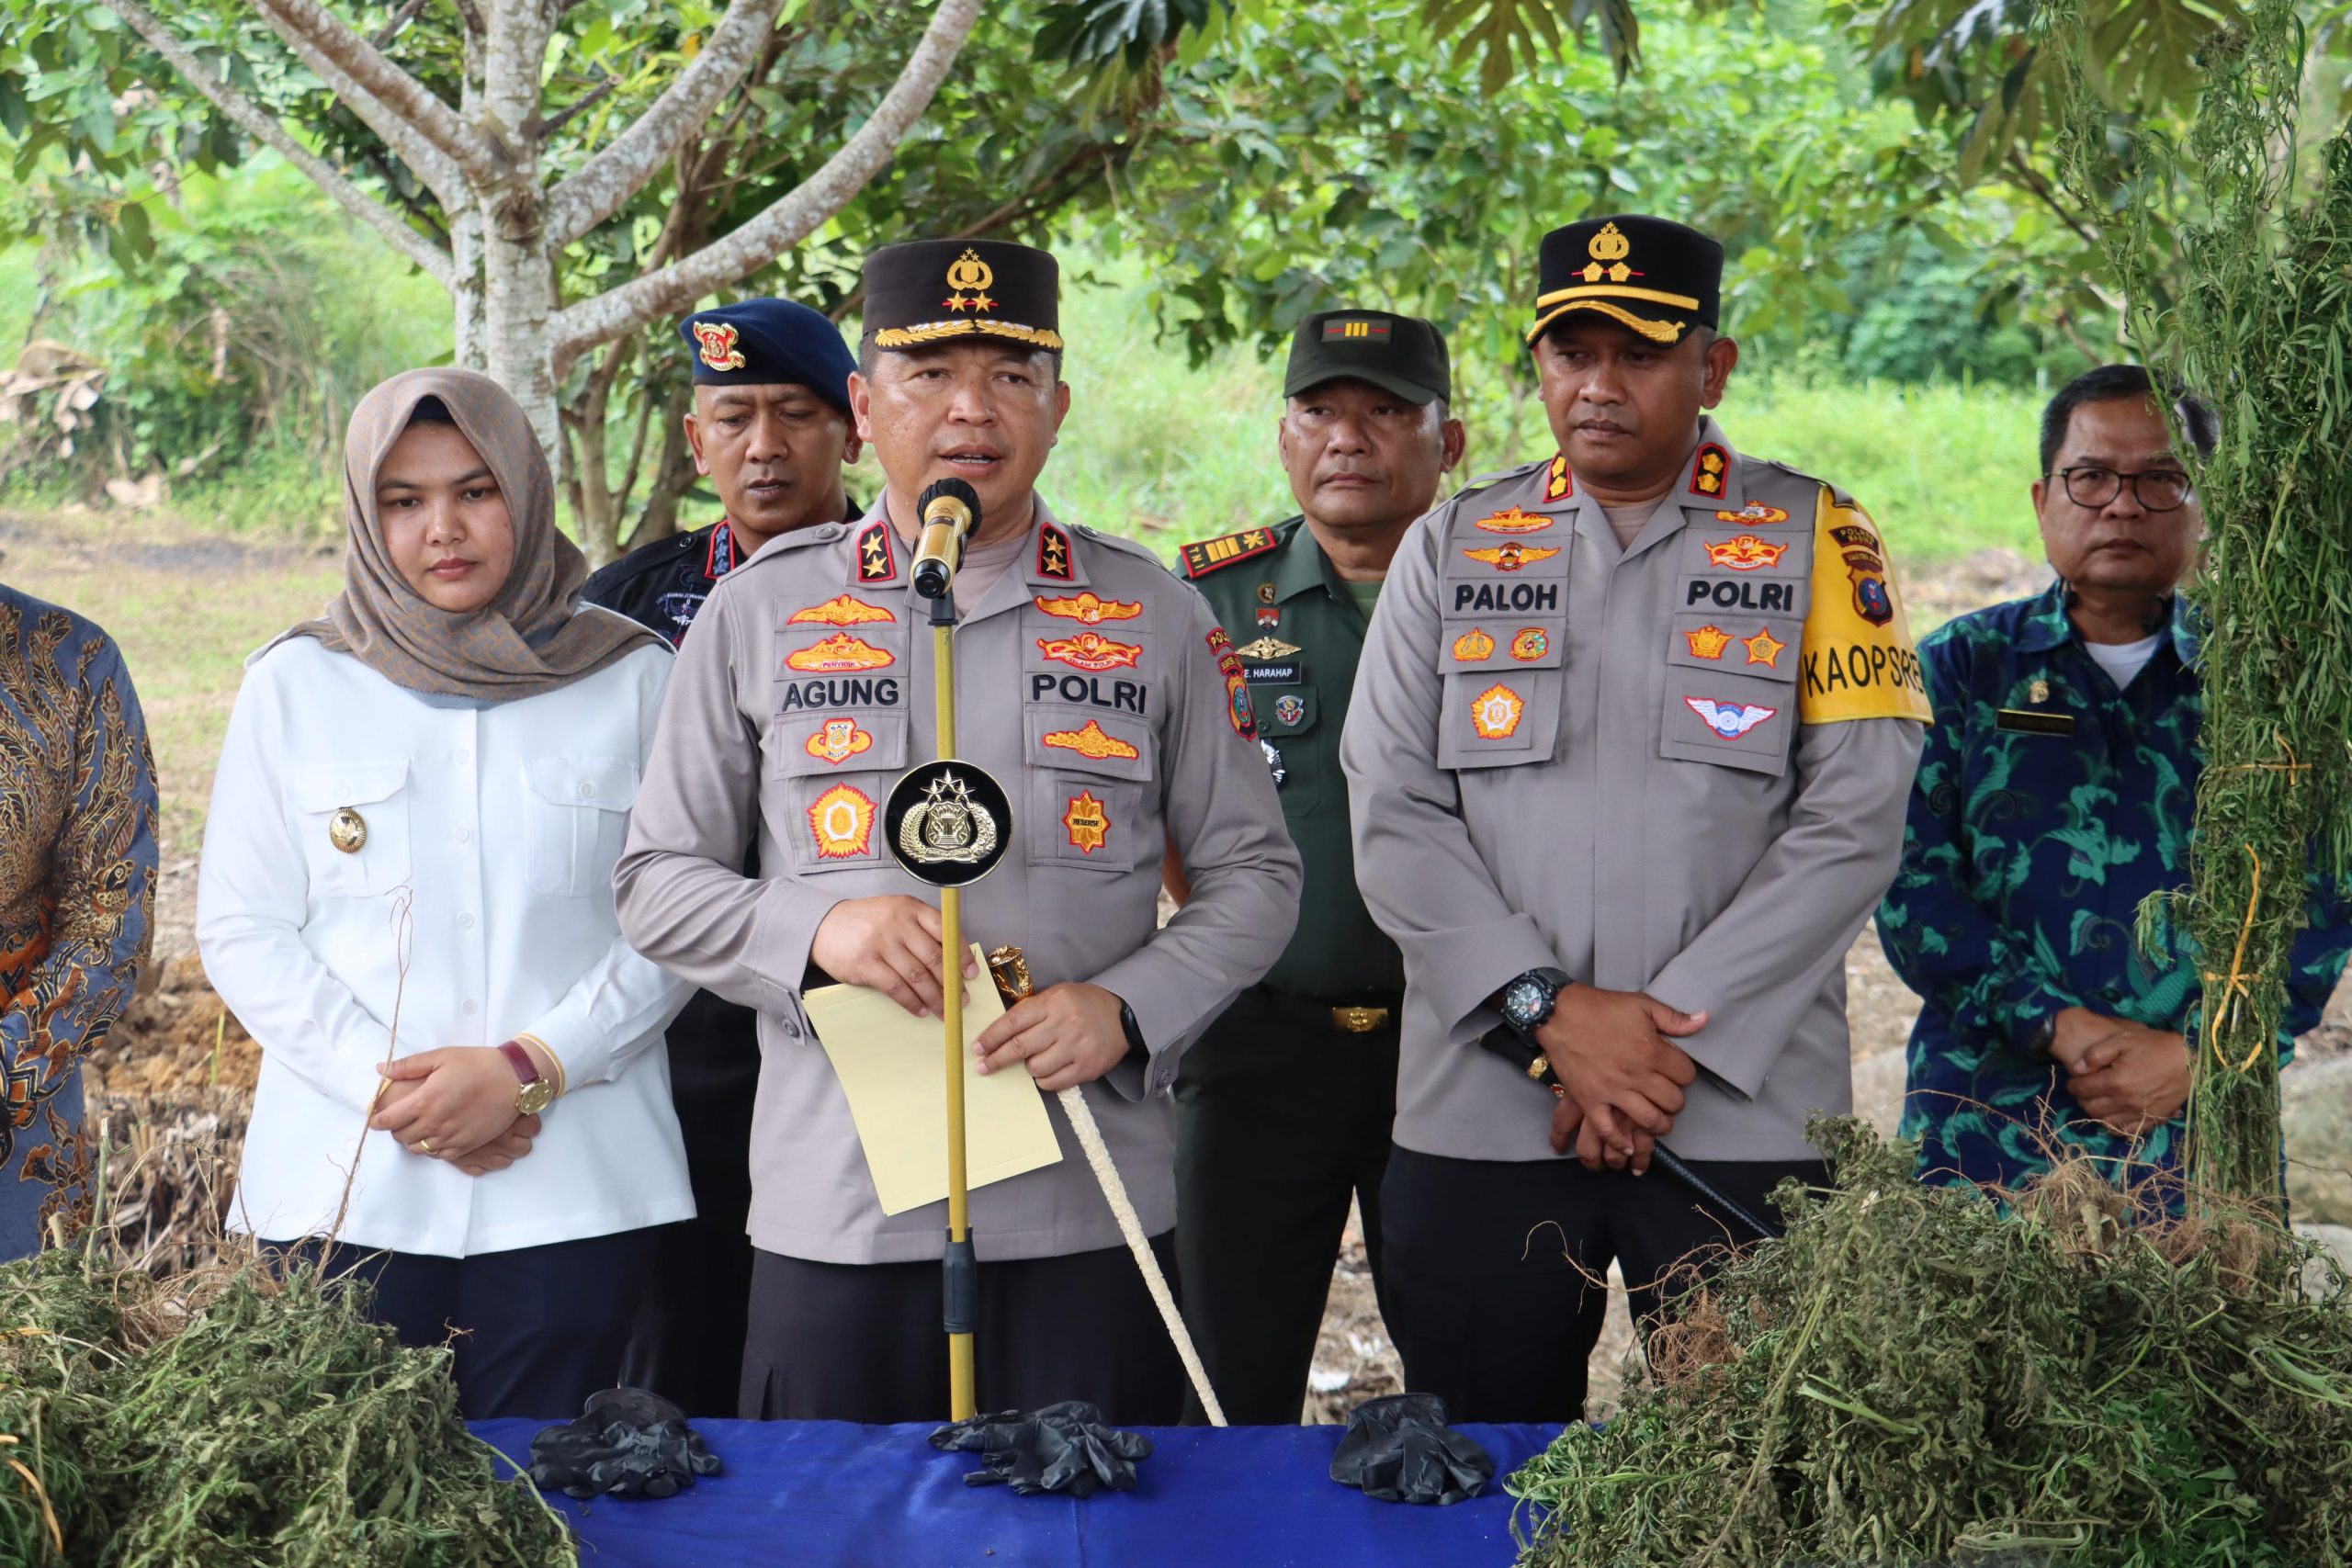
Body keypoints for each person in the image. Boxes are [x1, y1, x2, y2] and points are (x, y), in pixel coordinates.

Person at [615, 237, 1302, 1426]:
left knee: (1087, 1509)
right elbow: (657, 880)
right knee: (835, 1512)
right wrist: (815, 929)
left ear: (1059, 407)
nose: (971, 409)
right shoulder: (759, 611)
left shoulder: (1150, 611)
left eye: (1010, 376)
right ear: (864, 405)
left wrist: (1126, 1006)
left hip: (1085, 1190)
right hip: (840, 1199)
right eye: (929, 375)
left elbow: (1256, 874)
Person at [1340, 214, 1931, 1422]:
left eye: (1641, 354)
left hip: (1739, 1109)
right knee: (1480, 1467)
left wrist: (1664, 1045)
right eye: (1572, 353)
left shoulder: (1818, 536)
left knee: (1748, 1469)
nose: (1599, 386)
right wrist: (1549, 1014)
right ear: (1538, 365)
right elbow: (1390, 802)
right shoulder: (1452, 543)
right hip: (1486, 1103)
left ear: (1713, 369)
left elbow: (1857, 812)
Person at [197, 368, 695, 1420]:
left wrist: (529, 1068)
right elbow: (243, 927)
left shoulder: (634, 677)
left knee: (543, 1489)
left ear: (525, 491)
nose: (444, 529)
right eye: (405, 500)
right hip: (342, 1189)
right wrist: (396, 1096)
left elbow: (672, 917)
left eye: (476, 491)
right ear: (365, 514)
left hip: (574, 1186)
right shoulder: (295, 684)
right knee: (344, 1488)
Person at [1876, 364, 2352, 1193]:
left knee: (2209, 1287)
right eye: (2091, 476)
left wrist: (2201, 1052)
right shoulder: (1960, 668)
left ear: (2205, 506)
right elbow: (1907, 884)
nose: (2122, 505)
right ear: (2042, 500)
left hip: (2199, 1144)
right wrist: (2057, 1024)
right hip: (1984, 1139)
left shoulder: (2265, 688)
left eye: (2161, 479)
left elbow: (2322, 893)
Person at [1166, 309, 1464, 1424]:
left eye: (1385, 411)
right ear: (1284, 436)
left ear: (1448, 441)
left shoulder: (1507, 596)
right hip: (1256, 1042)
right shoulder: (1204, 601)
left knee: (1474, 1362)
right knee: (1222, 1376)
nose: (1348, 437)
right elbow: (1156, 802)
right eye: (1320, 411)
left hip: (1458, 1043)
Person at [584, 298, 862, 1416]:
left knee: (847, 1341)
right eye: (734, 418)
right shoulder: (623, 607)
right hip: (674, 1026)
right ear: (696, 442)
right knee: (679, 1336)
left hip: (859, 1016)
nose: (764, 446)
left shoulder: (917, 585)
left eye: (794, 413)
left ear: (852, 425)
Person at [0, 587, 158, 1259]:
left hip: (16, 1125)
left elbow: (110, 910)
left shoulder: (73, 662)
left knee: (29, 1323)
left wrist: (9, 1067)